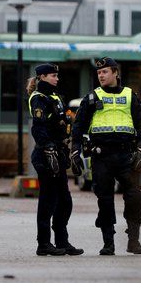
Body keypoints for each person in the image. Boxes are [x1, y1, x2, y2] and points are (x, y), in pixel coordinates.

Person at [70, 57, 141, 255]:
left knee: (134, 196)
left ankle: (133, 240)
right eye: (98, 73)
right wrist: (75, 150)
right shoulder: (91, 98)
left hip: (127, 155)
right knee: (104, 200)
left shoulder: (131, 96)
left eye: (105, 72)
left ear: (115, 73)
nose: (101, 76)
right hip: (101, 156)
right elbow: (78, 126)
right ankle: (108, 243)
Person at [27, 63, 84, 257]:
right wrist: (49, 149)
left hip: (58, 153)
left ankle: (61, 241)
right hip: (45, 155)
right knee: (48, 201)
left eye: (56, 76)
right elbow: (38, 127)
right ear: (42, 77)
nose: (56, 79)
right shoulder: (38, 98)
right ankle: (43, 243)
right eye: (53, 75)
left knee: (65, 201)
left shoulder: (55, 97)